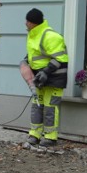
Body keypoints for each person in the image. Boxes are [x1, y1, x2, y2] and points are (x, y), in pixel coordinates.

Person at [20, 8, 69, 147]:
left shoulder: (50, 36)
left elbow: (60, 58)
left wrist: (46, 72)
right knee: (37, 105)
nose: (25, 23)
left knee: (50, 108)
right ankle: (35, 134)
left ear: (33, 23)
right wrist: (25, 62)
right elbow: (34, 55)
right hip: (40, 77)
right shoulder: (33, 34)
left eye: (28, 21)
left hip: (54, 77)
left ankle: (50, 137)